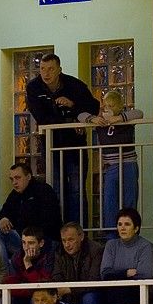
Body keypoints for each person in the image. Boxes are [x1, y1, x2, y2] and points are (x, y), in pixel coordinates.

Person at [26, 53, 99, 227]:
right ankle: (59, 233)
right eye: (42, 69)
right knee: (55, 189)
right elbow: (41, 116)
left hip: (75, 145)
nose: (46, 73)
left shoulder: (75, 85)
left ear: (59, 70)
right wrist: (70, 121)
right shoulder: (34, 87)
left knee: (76, 189)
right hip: (51, 144)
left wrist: (72, 105)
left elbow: (93, 107)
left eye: (51, 69)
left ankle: (79, 233)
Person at [78, 90, 143, 232]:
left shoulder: (126, 119)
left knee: (129, 199)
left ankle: (131, 232)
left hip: (128, 163)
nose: (108, 109)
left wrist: (119, 118)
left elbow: (139, 113)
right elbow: (80, 115)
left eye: (112, 106)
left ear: (119, 106)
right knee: (109, 200)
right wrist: (93, 119)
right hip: (111, 166)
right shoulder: (100, 120)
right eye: (106, 105)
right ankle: (111, 234)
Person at [0, 162, 61, 270]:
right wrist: (2, 219)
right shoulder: (15, 195)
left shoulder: (43, 190)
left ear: (28, 176)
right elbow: (2, 214)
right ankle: (5, 271)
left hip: (42, 241)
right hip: (22, 240)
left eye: (17, 178)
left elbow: (51, 222)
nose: (14, 182)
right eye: (12, 179)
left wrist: (32, 238)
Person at [52, 221, 105, 304]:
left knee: (89, 300)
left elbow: (94, 280)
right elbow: (57, 277)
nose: (67, 244)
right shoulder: (58, 252)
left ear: (81, 237)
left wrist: (69, 289)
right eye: (64, 240)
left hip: (92, 293)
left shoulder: (96, 250)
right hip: (68, 295)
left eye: (71, 240)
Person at [4, 226, 54, 304]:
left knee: (36, 298)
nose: (26, 247)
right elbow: (11, 284)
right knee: (7, 299)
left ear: (41, 243)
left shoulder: (49, 257)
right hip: (23, 295)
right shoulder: (17, 257)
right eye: (24, 243)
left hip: (42, 295)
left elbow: (42, 285)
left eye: (31, 243)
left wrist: (27, 263)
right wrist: (30, 290)